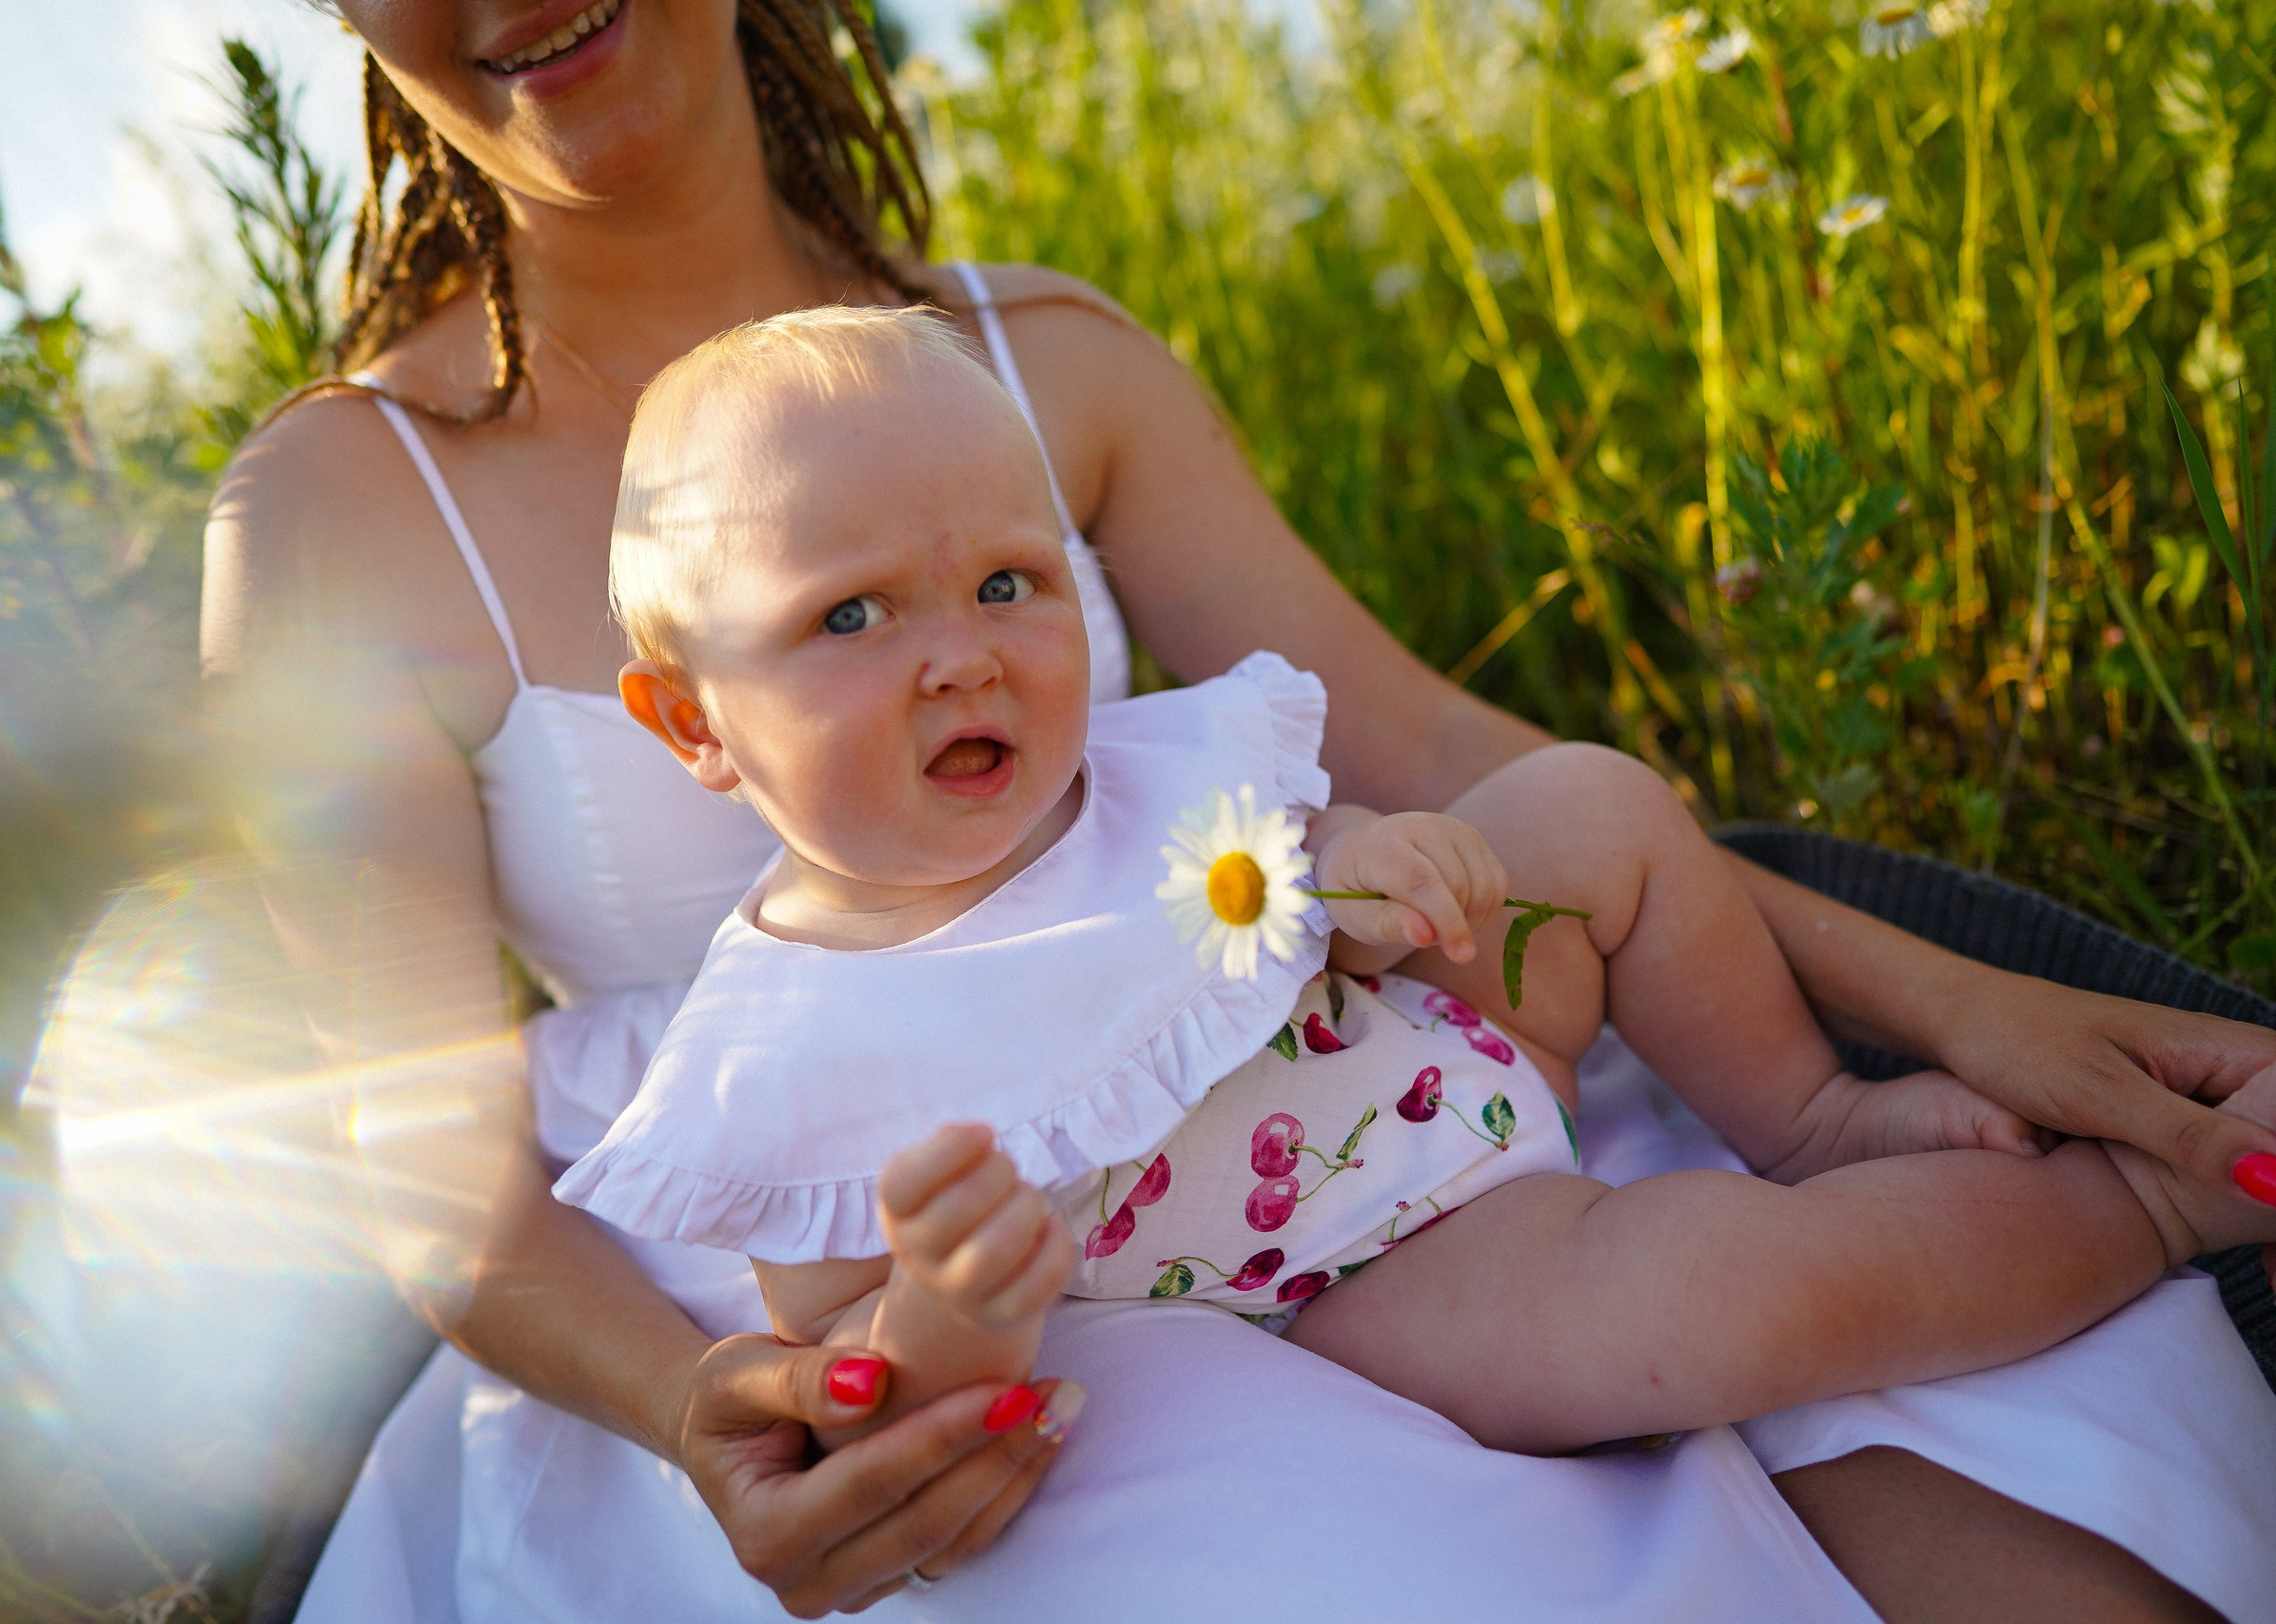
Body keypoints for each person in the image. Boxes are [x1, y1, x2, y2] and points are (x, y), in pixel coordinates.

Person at [200, 1, 2276, 1617]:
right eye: (845, 615)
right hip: (902, 1328)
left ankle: (2114, 1196)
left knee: (1966, 1449)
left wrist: (1946, 995)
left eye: (1003, 586)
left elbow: (1437, 764)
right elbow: (433, 1169)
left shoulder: (1044, 356)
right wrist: (742, 1404)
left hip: (1342, 1067)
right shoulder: (329, 509)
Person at [554, 303, 2276, 1460]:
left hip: (1429, 1028)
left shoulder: (1135, 767)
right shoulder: (782, 1045)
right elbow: (849, 1369)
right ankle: (2138, 1212)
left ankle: (1807, 1108)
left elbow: (1287, 854)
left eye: (1009, 582)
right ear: (692, 723)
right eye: (851, 617)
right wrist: (947, 1305)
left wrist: (1366, 862)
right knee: (1714, 1302)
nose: (962, 659)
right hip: (1367, 1265)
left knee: (1588, 803)